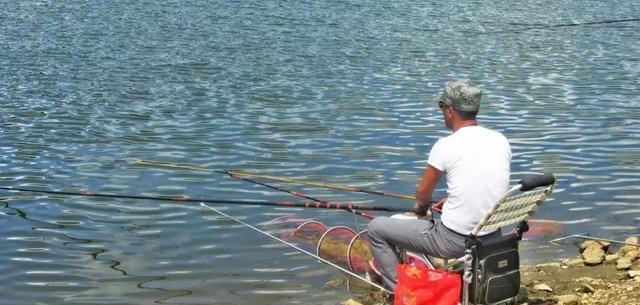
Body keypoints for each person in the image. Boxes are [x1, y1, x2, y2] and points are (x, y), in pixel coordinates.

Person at [368, 80, 512, 293]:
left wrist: (420, 210)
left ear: (450, 111)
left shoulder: (445, 145)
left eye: (442, 108)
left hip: (454, 241)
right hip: (492, 236)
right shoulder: (500, 140)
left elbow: (423, 193)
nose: (442, 113)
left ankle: (396, 292)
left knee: (376, 229)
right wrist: (453, 201)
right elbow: (483, 182)